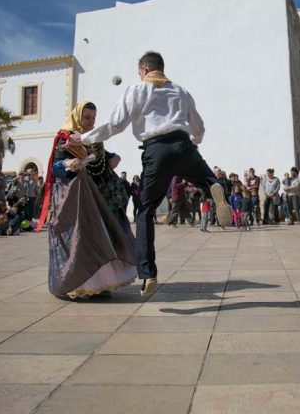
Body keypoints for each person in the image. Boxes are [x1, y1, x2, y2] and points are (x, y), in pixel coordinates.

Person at [68, 52, 232, 297]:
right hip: (183, 144)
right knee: (210, 179)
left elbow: (116, 124)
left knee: (145, 210)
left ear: (144, 69)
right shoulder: (181, 92)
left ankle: (148, 273)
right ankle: (213, 186)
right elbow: (198, 127)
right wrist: (194, 142)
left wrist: (85, 138)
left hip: (156, 151)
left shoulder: (137, 89)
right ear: (161, 68)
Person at [39, 101, 138, 299]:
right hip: (78, 198)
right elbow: (55, 167)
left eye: (93, 118)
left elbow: (99, 155)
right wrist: (68, 163)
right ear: (77, 117)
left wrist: (113, 157)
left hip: (101, 195)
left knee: (106, 238)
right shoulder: (65, 138)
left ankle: (101, 285)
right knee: (81, 240)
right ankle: (76, 285)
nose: (91, 122)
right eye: (87, 118)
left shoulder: (93, 136)